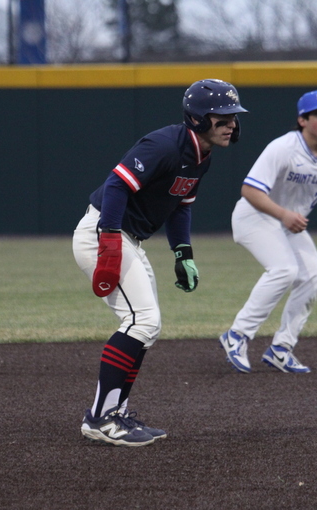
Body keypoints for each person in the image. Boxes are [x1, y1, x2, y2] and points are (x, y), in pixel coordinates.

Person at [72, 79, 248, 446]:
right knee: (142, 321)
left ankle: (115, 413)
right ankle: (101, 418)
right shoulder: (165, 145)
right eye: (223, 117)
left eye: (234, 116)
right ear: (198, 118)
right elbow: (116, 185)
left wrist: (183, 252)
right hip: (104, 231)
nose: (232, 123)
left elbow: (181, 206)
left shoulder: (202, 156)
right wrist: (109, 239)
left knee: (147, 327)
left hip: (128, 238)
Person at [219, 90, 317, 374]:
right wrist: (284, 215)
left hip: (288, 223)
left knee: (313, 278)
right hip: (255, 216)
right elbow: (249, 190)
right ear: (302, 120)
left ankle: (281, 348)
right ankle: (237, 335)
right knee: (284, 270)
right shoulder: (283, 148)